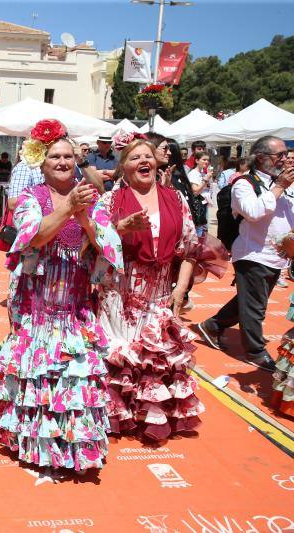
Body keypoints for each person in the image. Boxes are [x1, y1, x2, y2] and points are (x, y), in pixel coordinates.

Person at [0, 120, 117, 473]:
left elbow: (105, 243)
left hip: (75, 301)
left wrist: (87, 217)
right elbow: (33, 238)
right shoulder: (32, 198)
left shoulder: (91, 195)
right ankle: (35, 445)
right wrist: (68, 208)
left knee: (75, 375)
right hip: (39, 304)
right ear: (42, 164)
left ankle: (72, 445)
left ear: (76, 161)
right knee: (38, 369)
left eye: (67, 156)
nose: (62, 162)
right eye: (54, 157)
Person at [92, 138, 204, 441]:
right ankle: (116, 415)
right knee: (124, 354)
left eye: (148, 156)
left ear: (156, 163)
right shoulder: (109, 201)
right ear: (123, 168)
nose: (143, 161)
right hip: (119, 291)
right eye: (134, 157)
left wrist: (180, 290)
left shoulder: (176, 199)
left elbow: (191, 249)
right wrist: (119, 229)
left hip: (159, 290)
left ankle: (149, 417)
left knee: (154, 353)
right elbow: (94, 243)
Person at [197, 136, 294, 372]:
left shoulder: (282, 184)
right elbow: (253, 212)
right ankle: (255, 351)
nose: (285, 159)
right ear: (261, 158)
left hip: (276, 256)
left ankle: (212, 325)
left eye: (286, 154)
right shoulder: (244, 184)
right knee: (255, 307)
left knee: (248, 301)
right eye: (279, 155)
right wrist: (280, 187)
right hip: (253, 254)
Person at [187, 152, 213, 236]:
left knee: (202, 229)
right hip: (197, 205)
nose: (206, 162)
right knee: (198, 230)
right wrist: (206, 179)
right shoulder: (193, 174)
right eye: (204, 160)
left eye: (207, 160)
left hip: (203, 204)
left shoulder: (202, 173)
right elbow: (195, 191)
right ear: (197, 160)